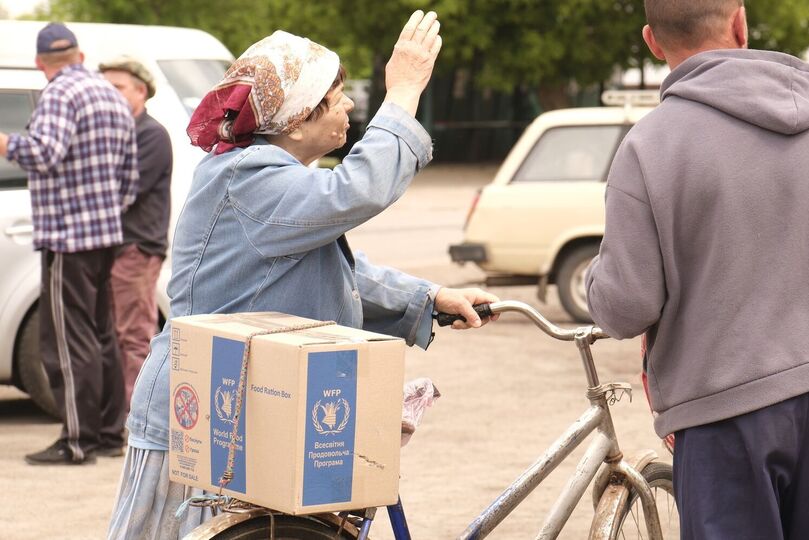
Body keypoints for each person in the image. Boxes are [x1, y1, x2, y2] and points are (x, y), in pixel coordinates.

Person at [108, 11, 498, 538]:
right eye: (336, 100)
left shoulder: (270, 176)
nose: (349, 107)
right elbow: (359, 190)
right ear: (295, 121)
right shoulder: (248, 176)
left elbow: (338, 273)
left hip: (247, 407)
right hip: (203, 416)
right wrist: (403, 93)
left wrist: (429, 297)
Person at [585, 1, 809, 538]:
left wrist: (598, 276)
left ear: (653, 42)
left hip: (725, 410)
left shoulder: (649, 146)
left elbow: (626, 305)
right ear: (739, 22)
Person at [0, 22, 137, 465]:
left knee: (66, 340)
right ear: (78, 55)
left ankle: (77, 441)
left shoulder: (59, 93)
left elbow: (45, 152)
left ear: (42, 64)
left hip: (67, 237)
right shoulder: (109, 95)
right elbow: (129, 178)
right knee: (101, 336)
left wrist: (5, 143)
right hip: (104, 235)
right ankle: (110, 435)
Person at [99, 56, 173, 409]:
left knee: (133, 334)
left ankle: (138, 416)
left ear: (141, 91)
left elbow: (119, 193)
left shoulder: (150, 134)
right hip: (112, 247)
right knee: (113, 333)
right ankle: (117, 415)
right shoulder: (114, 133)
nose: (107, 95)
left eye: (116, 88)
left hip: (136, 248)